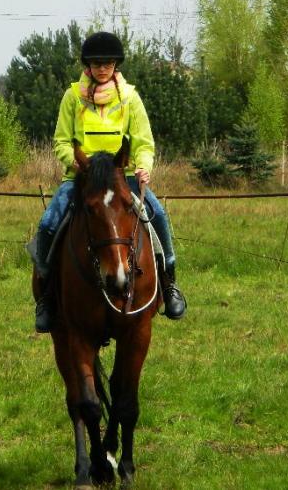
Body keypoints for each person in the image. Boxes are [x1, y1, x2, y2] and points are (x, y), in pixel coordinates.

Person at [32, 31, 186, 333]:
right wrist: (77, 163)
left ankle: (169, 284)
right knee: (49, 223)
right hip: (82, 177)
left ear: (116, 65)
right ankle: (47, 296)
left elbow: (143, 141)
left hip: (121, 177)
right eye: (97, 63)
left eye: (108, 63)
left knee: (158, 215)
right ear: (87, 66)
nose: (102, 68)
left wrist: (143, 167)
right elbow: (61, 141)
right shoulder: (72, 97)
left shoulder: (130, 98)